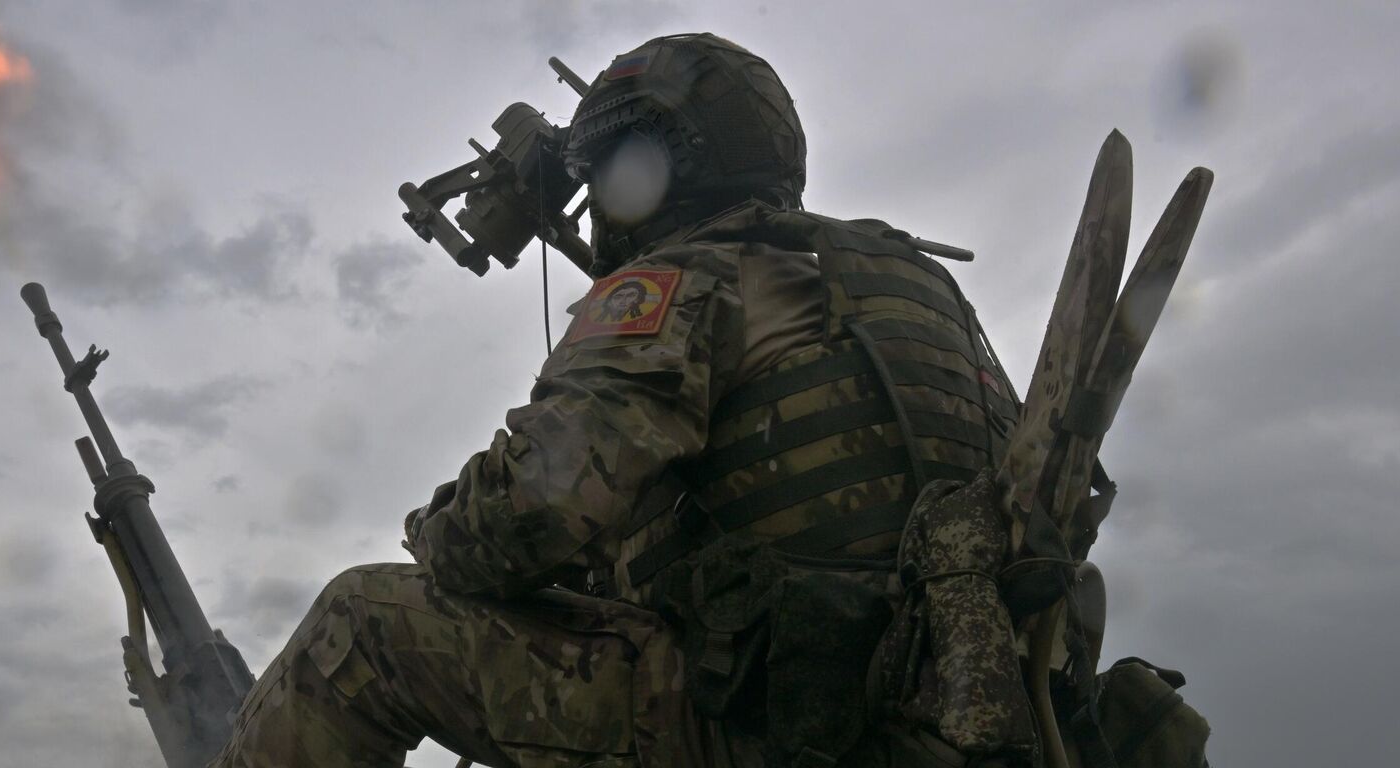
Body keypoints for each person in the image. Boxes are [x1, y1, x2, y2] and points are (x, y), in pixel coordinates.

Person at [210, 33, 1024, 768]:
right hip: (956, 702)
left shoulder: (685, 281)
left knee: (359, 627)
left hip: (770, 725)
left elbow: (526, 515)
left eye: (607, 172)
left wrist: (435, 531)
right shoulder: (915, 291)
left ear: (654, 167)